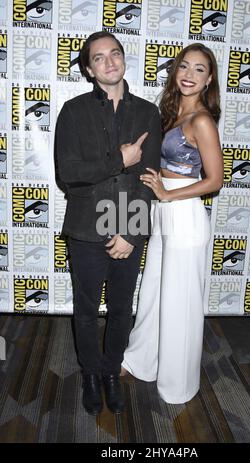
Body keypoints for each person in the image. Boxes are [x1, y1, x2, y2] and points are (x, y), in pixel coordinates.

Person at [55, 31, 161, 415]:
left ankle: (111, 371)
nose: (109, 61)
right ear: (89, 68)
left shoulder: (148, 112)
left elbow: (149, 178)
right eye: (99, 58)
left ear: (123, 59)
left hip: (128, 223)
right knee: (85, 309)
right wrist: (119, 159)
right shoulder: (73, 110)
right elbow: (68, 174)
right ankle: (89, 373)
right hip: (86, 225)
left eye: (114, 53)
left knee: (120, 308)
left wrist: (131, 232)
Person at [122, 43, 223, 404]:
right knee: (153, 293)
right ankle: (141, 361)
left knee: (180, 303)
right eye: (184, 66)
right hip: (166, 216)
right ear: (175, 71)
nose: (189, 75)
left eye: (199, 69)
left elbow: (215, 180)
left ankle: (178, 385)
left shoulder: (202, 121)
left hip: (184, 215)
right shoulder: (169, 115)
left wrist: (167, 194)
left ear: (209, 79)